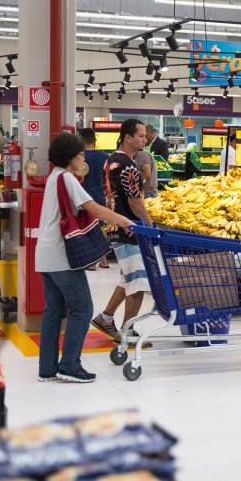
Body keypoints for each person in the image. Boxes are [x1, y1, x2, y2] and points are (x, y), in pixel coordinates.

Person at [35, 133, 134, 383]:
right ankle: (70, 366)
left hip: (46, 254)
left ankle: (47, 369)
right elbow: (92, 207)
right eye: (80, 154)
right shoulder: (67, 178)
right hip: (62, 255)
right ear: (71, 157)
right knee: (83, 308)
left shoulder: (54, 177)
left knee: (54, 311)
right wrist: (122, 220)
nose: (83, 158)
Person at [91, 119, 154, 343]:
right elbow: (135, 202)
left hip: (116, 226)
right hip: (130, 230)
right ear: (128, 137)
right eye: (141, 136)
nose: (145, 140)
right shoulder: (127, 165)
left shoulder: (111, 160)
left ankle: (106, 317)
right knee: (137, 284)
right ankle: (128, 332)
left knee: (127, 278)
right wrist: (150, 225)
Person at [79, 128, 110, 269]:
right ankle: (104, 260)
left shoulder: (79, 157)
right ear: (95, 140)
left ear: (80, 140)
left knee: (87, 228)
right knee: (100, 228)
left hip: (84, 197)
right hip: (100, 196)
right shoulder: (105, 157)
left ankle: (91, 263)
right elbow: (107, 179)